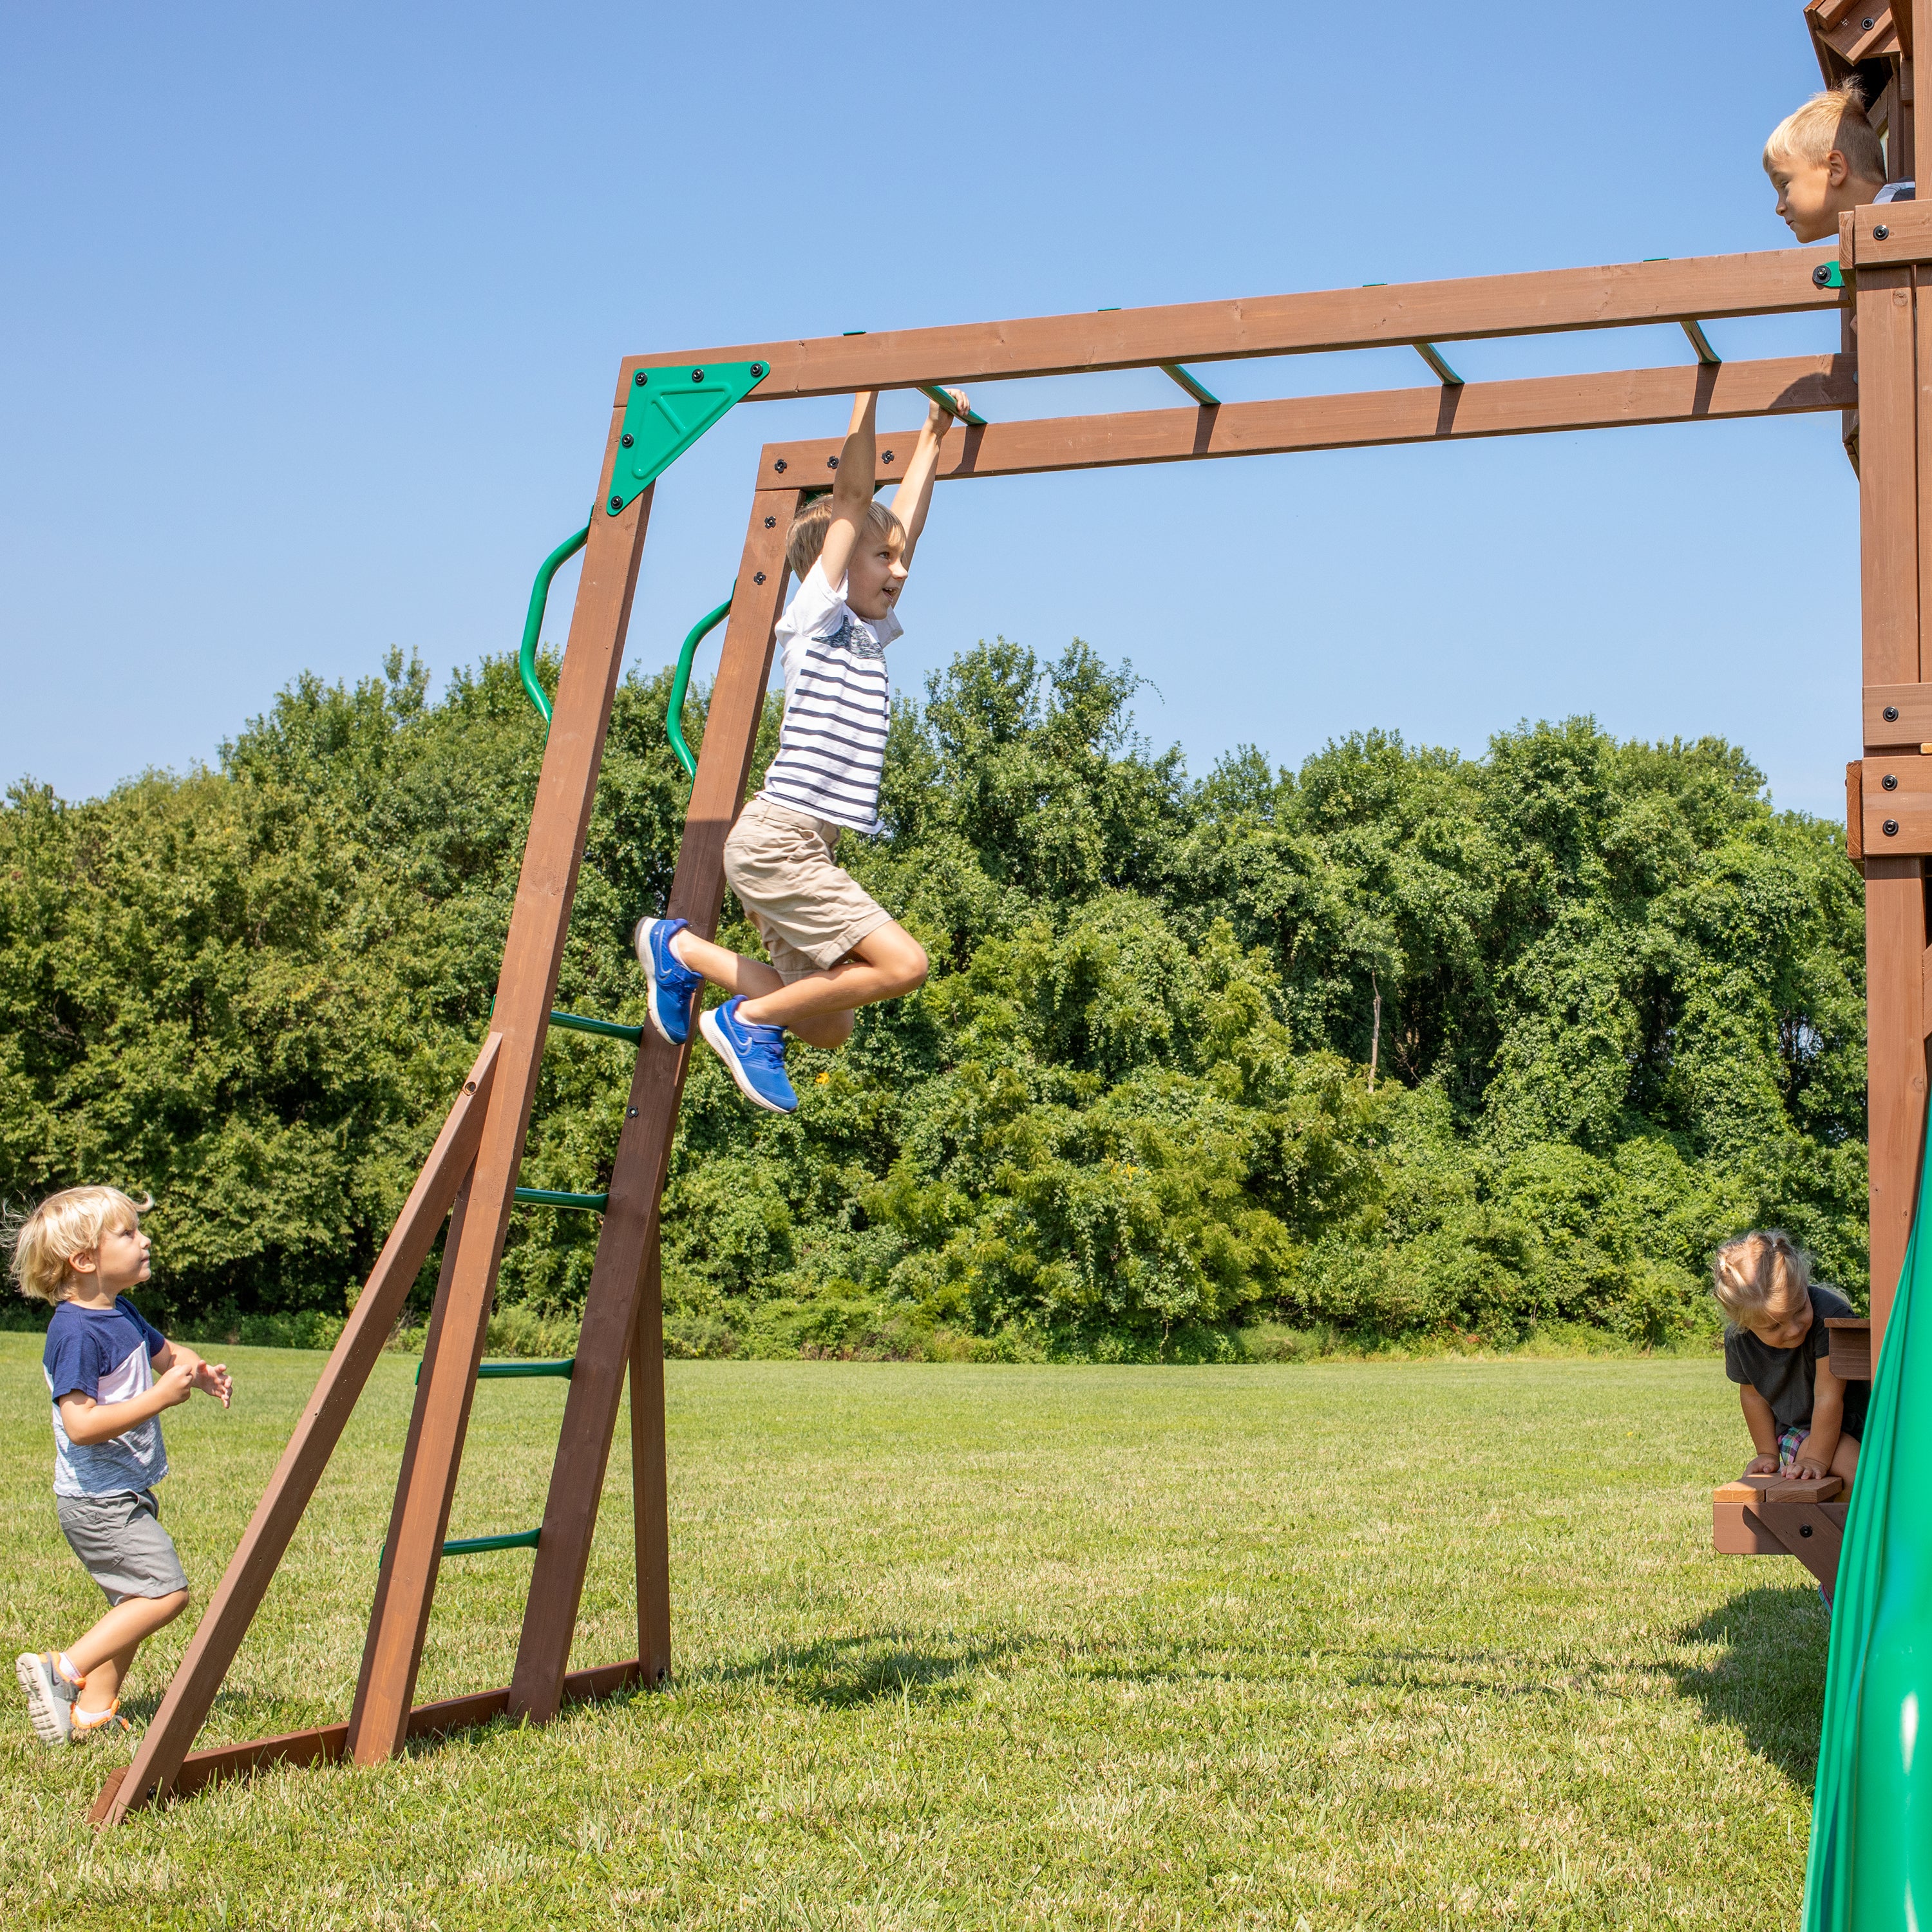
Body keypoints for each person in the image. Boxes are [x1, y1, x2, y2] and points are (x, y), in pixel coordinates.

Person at [632, 386, 966, 1113]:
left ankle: (679, 951)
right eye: (882, 558)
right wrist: (867, 389)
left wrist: (933, 437)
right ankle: (742, 1020)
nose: (900, 572)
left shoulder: (869, 632)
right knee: (904, 963)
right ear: (838, 564)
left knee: (828, 1022)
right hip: (780, 841)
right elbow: (853, 498)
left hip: (804, 850)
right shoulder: (814, 617)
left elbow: (899, 520)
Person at [9, 1186, 231, 1745]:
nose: (145, 1239)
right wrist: (159, 1399)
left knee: (131, 1601)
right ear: (84, 1261)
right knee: (163, 1594)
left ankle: (92, 1711)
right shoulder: (75, 1333)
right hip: (96, 1502)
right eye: (128, 1233)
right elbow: (81, 1425)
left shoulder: (119, 1311)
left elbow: (167, 1353)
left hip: (125, 1491)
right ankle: (60, 1669)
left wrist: (198, 1373)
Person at [1712, 1229, 1863, 1486]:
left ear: (1804, 1286)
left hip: (1857, 1421)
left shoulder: (1829, 1317)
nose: (1793, 1328)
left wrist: (1817, 1459)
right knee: (1860, 1474)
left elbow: (1829, 1395)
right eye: (1774, 1327)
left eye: (1799, 1309)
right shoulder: (1739, 1340)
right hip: (1801, 1432)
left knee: (1883, 1477)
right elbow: (1753, 1396)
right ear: (1744, 1324)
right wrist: (1767, 1453)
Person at [1764, 79, 1909, 244]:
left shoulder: (1909, 209)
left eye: (1784, 184)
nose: (1779, 208)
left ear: (1835, 169)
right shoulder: (1867, 236)